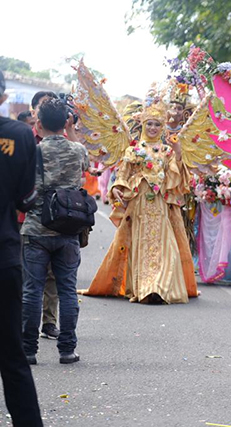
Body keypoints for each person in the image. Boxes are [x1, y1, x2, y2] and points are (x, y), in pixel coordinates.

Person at [79, 101, 198, 304]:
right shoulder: (133, 150)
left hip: (160, 204)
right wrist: (117, 187)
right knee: (140, 243)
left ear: (162, 127)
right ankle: (144, 287)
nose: (152, 128)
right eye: (149, 123)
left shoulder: (167, 151)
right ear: (143, 125)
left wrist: (178, 150)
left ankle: (159, 286)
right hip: (139, 203)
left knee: (164, 244)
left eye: (157, 124)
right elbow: (123, 174)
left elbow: (177, 175)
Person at [21, 98, 88, 365]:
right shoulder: (78, 150)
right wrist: (71, 130)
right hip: (69, 228)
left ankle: (28, 350)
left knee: (32, 290)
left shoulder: (33, 152)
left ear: (38, 123)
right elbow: (86, 164)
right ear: (65, 122)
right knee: (68, 290)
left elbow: (25, 187)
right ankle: (67, 350)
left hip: (36, 228)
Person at [0, 70, 44, 426]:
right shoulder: (18, 135)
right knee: (12, 356)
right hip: (3, 258)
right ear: (3, 97)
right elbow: (27, 199)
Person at [29, 92, 61, 341]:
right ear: (34, 113)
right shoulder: (25, 140)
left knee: (52, 277)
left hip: (59, 221)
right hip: (27, 220)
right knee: (28, 278)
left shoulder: (66, 144)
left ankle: (49, 322)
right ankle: (23, 327)